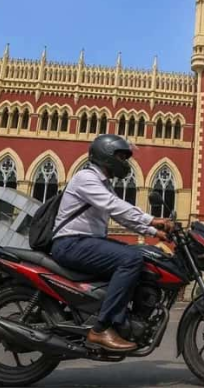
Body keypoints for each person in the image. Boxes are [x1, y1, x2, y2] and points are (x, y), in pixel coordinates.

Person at [51, 134, 174, 352]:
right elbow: (113, 205)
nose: (125, 162)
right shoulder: (86, 178)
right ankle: (102, 328)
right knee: (131, 259)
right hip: (71, 243)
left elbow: (120, 216)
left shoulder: (102, 184)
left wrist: (154, 231)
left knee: (141, 256)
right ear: (105, 155)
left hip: (84, 242)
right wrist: (152, 219)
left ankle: (119, 318)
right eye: (121, 157)